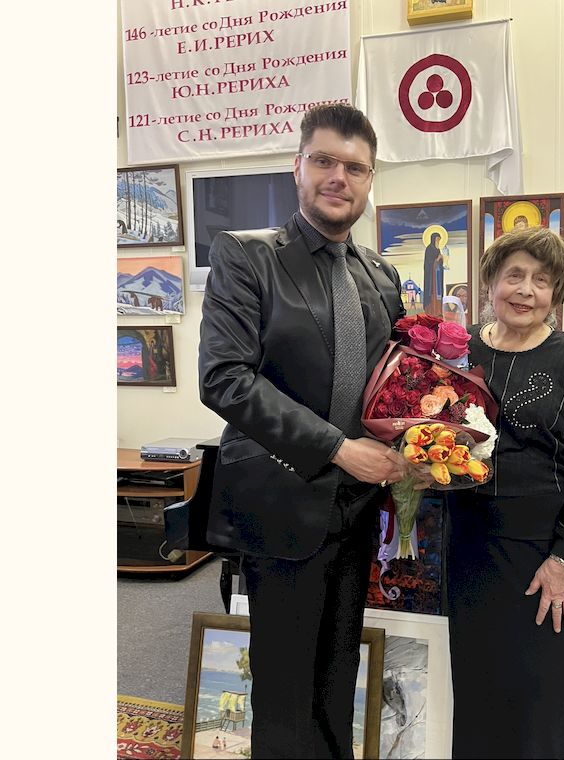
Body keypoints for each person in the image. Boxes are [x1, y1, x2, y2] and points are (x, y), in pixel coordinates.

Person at [198, 103, 406, 759]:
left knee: (337, 679)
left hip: (357, 511)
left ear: (369, 180)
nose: (338, 177)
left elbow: (397, 385)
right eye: (324, 161)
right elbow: (225, 379)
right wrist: (339, 449)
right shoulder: (246, 256)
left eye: (355, 167)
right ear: (298, 168)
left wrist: (423, 437)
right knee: (286, 695)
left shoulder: (381, 276)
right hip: (281, 504)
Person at [446, 227, 564, 758]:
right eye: (513, 275)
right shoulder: (461, 349)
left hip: (539, 551)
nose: (525, 290)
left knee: (539, 693)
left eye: (542, 281)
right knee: (474, 684)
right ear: (490, 281)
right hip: (465, 543)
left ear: (555, 294)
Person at [422, 231, 444, 316]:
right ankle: (431, 311)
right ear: (433, 239)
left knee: (438, 293)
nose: (438, 241)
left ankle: (438, 311)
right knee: (432, 293)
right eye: (437, 240)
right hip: (431, 278)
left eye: (439, 240)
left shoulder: (438, 249)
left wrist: (441, 260)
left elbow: (440, 263)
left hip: (438, 275)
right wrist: (437, 259)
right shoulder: (429, 249)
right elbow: (428, 264)